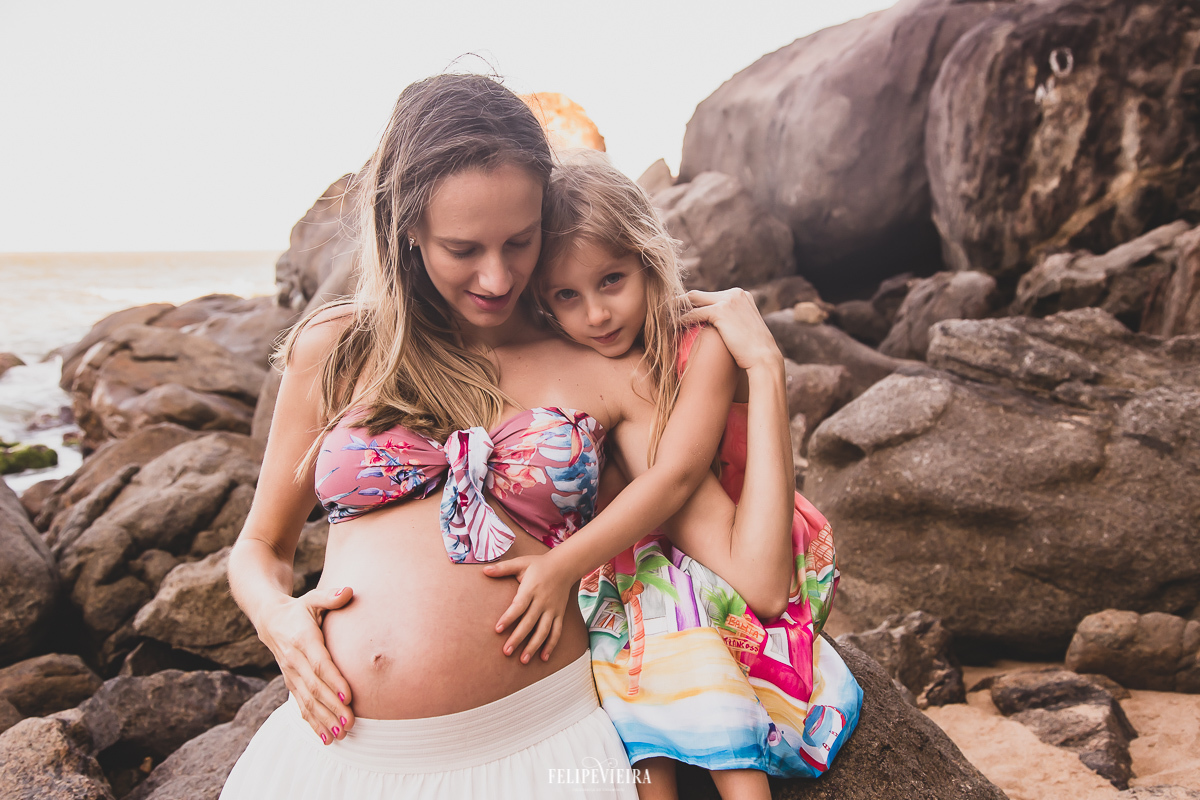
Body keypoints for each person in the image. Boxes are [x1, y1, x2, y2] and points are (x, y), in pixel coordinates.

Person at [219, 74, 790, 800]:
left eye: (520, 242)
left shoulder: (606, 373)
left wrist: (767, 371)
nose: (496, 278)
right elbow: (259, 548)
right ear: (407, 229)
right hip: (333, 766)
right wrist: (277, 620)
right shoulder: (335, 350)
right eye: (463, 248)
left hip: (542, 759)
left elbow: (759, 580)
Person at [490, 153, 863, 799]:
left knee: (679, 639)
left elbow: (678, 476)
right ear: (544, 302)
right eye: (567, 296)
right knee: (637, 723)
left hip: (722, 555)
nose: (597, 314)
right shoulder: (567, 369)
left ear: (648, 260)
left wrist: (765, 365)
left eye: (612, 280)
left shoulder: (696, 345)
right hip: (627, 581)